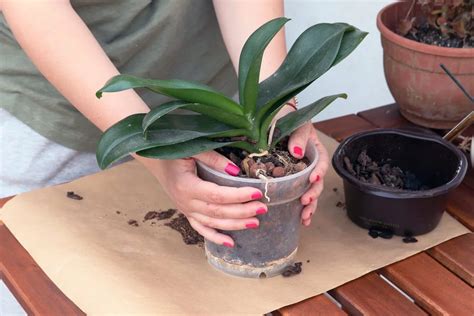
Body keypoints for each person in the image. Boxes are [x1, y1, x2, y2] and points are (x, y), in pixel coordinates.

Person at [0, 0, 329, 247]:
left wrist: (275, 100)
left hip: (212, 112)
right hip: (66, 118)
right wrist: (153, 151)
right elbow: (37, 10)